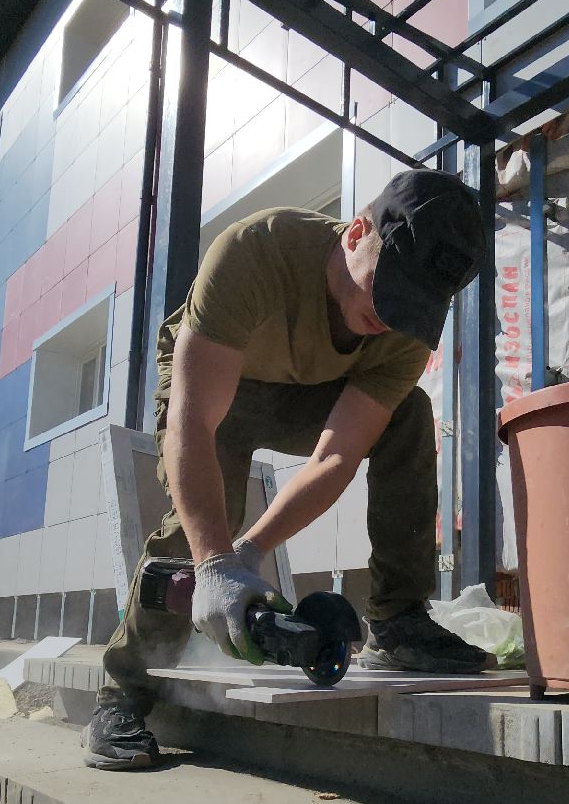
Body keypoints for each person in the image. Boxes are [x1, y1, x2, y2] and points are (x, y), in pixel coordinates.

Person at [83, 169, 495, 770]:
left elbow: (334, 456)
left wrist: (251, 553)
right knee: (203, 520)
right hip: (220, 379)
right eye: (387, 290)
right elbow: (192, 428)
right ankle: (124, 690)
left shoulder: (405, 332)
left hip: (309, 390)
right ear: (357, 234)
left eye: (413, 305)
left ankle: (398, 621)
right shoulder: (256, 251)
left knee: (407, 413)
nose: (392, 317)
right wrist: (216, 564)